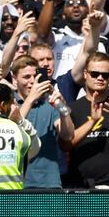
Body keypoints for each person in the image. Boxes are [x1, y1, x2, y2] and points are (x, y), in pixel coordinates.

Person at [62, 53, 109, 188]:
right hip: (79, 186)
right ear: (85, 74)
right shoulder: (72, 108)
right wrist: (92, 121)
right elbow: (65, 145)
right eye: (94, 74)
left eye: (105, 75)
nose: (100, 78)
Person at [12, 55, 75, 189]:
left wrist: (61, 105)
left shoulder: (49, 104)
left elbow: (68, 135)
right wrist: (31, 99)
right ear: (14, 79)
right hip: (17, 183)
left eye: (35, 77)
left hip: (49, 183)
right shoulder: (9, 103)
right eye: (26, 77)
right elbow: (11, 133)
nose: (32, 82)